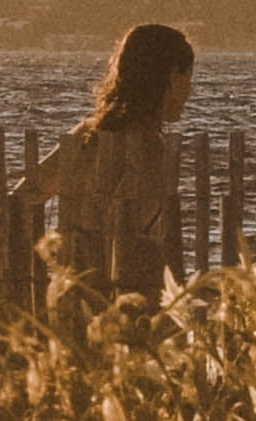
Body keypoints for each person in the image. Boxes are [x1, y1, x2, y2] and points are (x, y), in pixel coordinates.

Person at [10, 20, 194, 298]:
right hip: (122, 296)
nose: (189, 91)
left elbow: (22, 196)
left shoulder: (87, 134)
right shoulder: (149, 147)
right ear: (169, 77)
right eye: (187, 78)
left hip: (73, 290)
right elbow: (137, 232)